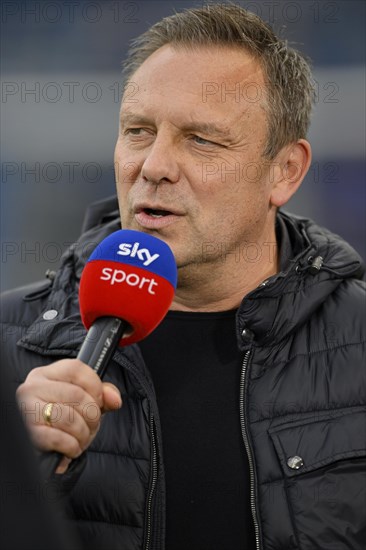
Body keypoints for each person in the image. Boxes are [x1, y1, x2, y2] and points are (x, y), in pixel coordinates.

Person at [1, 4, 365, 550]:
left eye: (202, 140)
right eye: (138, 131)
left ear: (285, 171)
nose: (153, 166)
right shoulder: (8, 342)